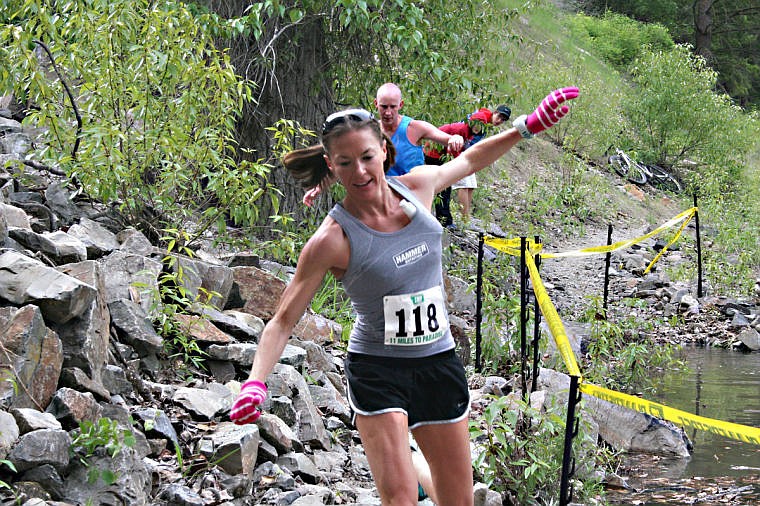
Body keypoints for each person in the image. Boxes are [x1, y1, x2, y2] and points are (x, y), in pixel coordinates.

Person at [230, 87, 579, 505]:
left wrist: (526, 126)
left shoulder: (419, 186)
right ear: (331, 166)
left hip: (437, 363)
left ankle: (409, 460)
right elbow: (283, 320)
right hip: (378, 369)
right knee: (400, 501)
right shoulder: (331, 239)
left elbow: (469, 159)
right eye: (344, 163)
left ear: (383, 149)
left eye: (366, 157)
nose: (358, 171)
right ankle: (400, 461)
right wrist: (255, 382)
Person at [302, 83, 464, 207]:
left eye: (392, 107)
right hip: (382, 201)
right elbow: (349, 164)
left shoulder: (414, 128)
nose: (388, 112)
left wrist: (455, 138)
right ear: (376, 104)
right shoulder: (369, 132)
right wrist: (319, 187)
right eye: (383, 107)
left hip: (414, 199)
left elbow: (446, 138)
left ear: (400, 105)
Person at [423, 107, 494, 229]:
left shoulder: (471, 133)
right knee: (443, 188)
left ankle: (443, 219)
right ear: (470, 123)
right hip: (434, 153)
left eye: (481, 125)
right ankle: (444, 221)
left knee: (443, 188)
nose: (477, 128)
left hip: (443, 154)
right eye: (475, 124)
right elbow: (453, 148)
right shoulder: (460, 129)